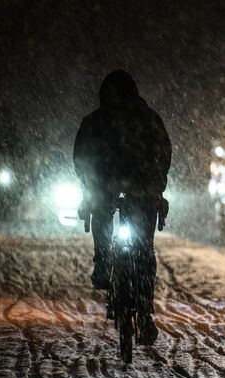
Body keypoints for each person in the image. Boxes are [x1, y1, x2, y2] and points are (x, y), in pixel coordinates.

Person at [73, 70, 171, 345]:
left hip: (133, 189)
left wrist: (152, 185)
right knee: (141, 248)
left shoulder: (99, 122)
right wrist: (94, 186)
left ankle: (139, 305)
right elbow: (163, 154)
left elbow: (81, 158)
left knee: (141, 249)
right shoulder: (144, 119)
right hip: (126, 189)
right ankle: (106, 264)